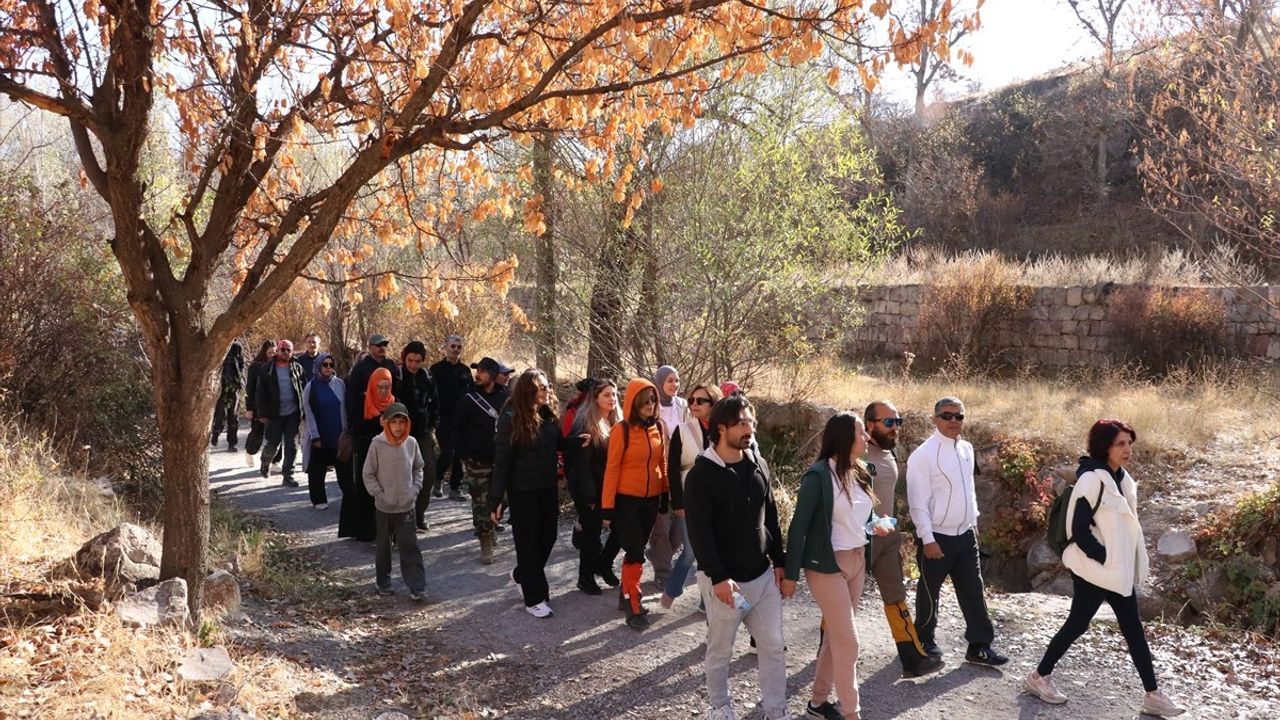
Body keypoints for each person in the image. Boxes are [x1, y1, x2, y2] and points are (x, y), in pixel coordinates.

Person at [1024, 420, 1184, 717]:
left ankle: (1152, 694)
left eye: (1129, 443)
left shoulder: (1123, 478)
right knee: (1080, 624)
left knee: (1130, 628)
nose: (1127, 449)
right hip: (1094, 569)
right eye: (1119, 444)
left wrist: (1125, 562)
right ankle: (1038, 677)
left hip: (1116, 571)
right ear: (1104, 447)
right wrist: (1104, 558)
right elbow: (1078, 530)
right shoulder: (1092, 481)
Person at [684, 394, 789, 720]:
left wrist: (780, 561)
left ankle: (775, 711)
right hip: (728, 586)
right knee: (722, 649)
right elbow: (699, 532)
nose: (749, 428)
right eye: (742, 423)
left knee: (772, 645)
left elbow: (769, 514)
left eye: (751, 422)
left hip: (761, 579)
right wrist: (718, 577)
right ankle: (720, 707)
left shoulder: (758, 463)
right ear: (720, 428)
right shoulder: (701, 475)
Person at [784, 412, 892, 720]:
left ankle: (817, 703)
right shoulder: (817, 477)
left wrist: (876, 525)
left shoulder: (861, 473)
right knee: (849, 642)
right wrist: (791, 575)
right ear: (845, 437)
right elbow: (798, 528)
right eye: (861, 433)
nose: (867, 438)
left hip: (857, 561)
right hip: (826, 566)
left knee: (836, 636)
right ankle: (852, 713)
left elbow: (861, 519)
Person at [906, 397, 1008, 667]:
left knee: (973, 591)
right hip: (937, 537)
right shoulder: (922, 456)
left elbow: (968, 491)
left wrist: (973, 524)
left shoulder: (966, 449)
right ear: (935, 419)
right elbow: (917, 502)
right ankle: (923, 642)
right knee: (929, 593)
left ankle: (979, 646)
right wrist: (927, 539)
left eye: (958, 416)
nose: (953, 421)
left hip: (965, 535)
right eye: (947, 415)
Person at [860, 400, 944, 678]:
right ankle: (828, 651)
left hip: (888, 538)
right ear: (869, 424)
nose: (895, 428)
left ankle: (912, 658)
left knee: (896, 596)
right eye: (889, 422)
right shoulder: (856, 453)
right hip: (859, 540)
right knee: (847, 599)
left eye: (898, 422)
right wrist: (869, 525)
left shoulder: (888, 453)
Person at [488, 369, 563, 618]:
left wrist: (578, 442)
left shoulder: (547, 413)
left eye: (547, 386)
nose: (547, 390)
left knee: (548, 537)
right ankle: (534, 597)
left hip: (547, 488)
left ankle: (523, 575)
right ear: (528, 390)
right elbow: (501, 463)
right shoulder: (510, 418)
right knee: (528, 544)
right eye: (542, 387)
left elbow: (557, 444)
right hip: (522, 491)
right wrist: (495, 499)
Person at [601, 378, 670, 630]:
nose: (650, 404)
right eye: (645, 400)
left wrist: (664, 495)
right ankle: (633, 605)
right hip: (626, 502)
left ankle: (626, 595)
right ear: (633, 402)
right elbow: (612, 469)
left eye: (653, 399)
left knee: (637, 550)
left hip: (651, 501)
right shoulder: (622, 430)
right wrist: (607, 507)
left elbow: (661, 463)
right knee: (635, 554)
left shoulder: (659, 428)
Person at [660, 382, 723, 609]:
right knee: (690, 552)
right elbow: (672, 468)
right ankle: (670, 593)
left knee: (714, 551)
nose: (694, 404)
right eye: (692, 400)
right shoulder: (682, 430)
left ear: (713, 403)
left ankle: (707, 604)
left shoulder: (724, 430)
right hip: (689, 498)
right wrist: (677, 501)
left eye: (700, 401)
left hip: (718, 501)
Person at [363, 402, 428, 602]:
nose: (398, 427)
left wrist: (414, 490)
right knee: (383, 546)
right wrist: (379, 494)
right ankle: (383, 581)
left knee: (410, 546)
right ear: (386, 424)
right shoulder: (377, 444)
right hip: (384, 506)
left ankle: (417, 586)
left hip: (406, 505)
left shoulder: (411, 443)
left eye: (402, 422)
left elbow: (419, 468)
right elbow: (368, 474)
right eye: (394, 422)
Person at [566, 379, 623, 595]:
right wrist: (590, 497)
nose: (612, 399)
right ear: (595, 398)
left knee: (621, 528)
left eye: (614, 394)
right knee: (592, 533)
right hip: (587, 487)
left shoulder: (618, 421)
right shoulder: (586, 424)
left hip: (611, 487)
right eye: (607, 395)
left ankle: (603, 563)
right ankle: (585, 577)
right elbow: (581, 465)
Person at [454, 356, 512, 564]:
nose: (478, 374)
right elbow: (457, 429)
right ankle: (485, 539)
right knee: (480, 502)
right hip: (477, 461)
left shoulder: (506, 398)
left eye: (483, 371)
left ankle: (492, 523)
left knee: (504, 498)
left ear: (494, 375)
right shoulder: (468, 399)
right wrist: (464, 456)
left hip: (502, 461)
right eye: (477, 371)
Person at [342, 366, 396, 542]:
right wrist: (376, 422)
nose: (383, 391)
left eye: (387, 387)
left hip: (389, 452)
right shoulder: (362, 400)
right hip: (366, 449)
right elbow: (356, 425)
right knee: (366, 488)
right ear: (373, 386)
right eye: (380, 387)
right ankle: (365, 530)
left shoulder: (395, 403)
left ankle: (387, 530)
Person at [647, 365, 687, 585]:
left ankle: (659, 554)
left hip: (682, 471)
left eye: (677, 380)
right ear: (660, 382)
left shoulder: (683, 406)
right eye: (670, 380)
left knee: (681, 524)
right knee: (661, 523)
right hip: (659, 472)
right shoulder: (651, 406)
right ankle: (662, 571)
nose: (675, 384)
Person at [399, 341, 440, 531]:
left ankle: (419, 514)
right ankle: (404, 518)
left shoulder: (427, 377)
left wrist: (432, 425)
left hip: (423, 434)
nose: (413, 365)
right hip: (401, 436)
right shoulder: (397, 377)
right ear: (404, 359)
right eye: (410, 360)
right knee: (404, 478)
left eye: (417, 361)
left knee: (429, 474)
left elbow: (435, 403)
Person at [301, 352, 350, 510]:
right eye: (325, 365)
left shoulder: (340, 384)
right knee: (317, 469)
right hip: (320, 434)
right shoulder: (311, 387)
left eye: (331, 365)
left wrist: (347, 430)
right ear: (318, 366)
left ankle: (349, 495)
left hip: (338, 434)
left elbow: (345, 408)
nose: (328, 368)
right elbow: (308, 413)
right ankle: (319, 499)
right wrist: (315, 436)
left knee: (343, 468)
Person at [255, 339, 306, 487]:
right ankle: (265, 463)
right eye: (283, 349)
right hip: (274, 414)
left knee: (292, 445)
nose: (285, 353)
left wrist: (304, 411)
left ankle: (288, 475)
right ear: (277, 350)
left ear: (292, 352)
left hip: (292, 414)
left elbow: (304, 390)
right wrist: (262, 413)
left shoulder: (298, 368)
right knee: (273, 443)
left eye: (288, 350)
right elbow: (260, 393)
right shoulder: (267, 368)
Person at [430, 335, 473, 501]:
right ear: (446, 347)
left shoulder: (465, 371)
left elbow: (471, 394)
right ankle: (438, 478)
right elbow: (431, 395)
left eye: (458, 347)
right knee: (447, 451)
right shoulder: (436, 369)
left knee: (459, 454)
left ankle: (455, 488)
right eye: (453, 346)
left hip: (462, 419)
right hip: (443, 418)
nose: (455, 350)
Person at [243, 339, 276, 463]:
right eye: (270, 353)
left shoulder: (278, 365)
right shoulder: (255, 366)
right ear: (264, 352)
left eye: (274, 352)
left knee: (275, 434)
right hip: (257, 405)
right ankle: (250, 451)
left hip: (273, 405)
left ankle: (274, 461)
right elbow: (250, 388)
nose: (272, 355)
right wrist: (249, 408)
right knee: (257, 432)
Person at [211, 339, 244, 452]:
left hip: (234, 386)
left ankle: (232, 443)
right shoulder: (219, 344)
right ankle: (216, 433)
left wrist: (239, 381)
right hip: (221, 386)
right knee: (221, 413)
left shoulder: (237, 346)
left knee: (233, 416)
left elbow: (241, 364)